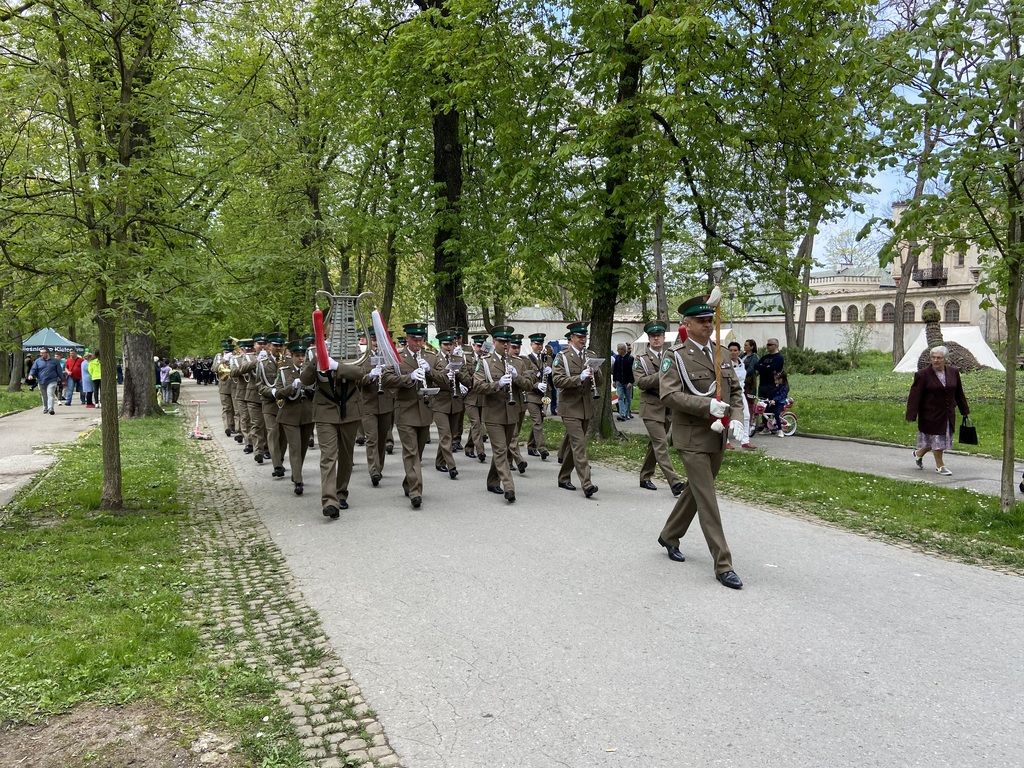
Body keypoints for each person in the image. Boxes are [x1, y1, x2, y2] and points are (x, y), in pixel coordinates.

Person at [656, 293, 746, 590]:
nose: (708, 325)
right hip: (692, 437)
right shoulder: (676, 356)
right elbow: (668, 395)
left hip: (716, 437)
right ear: (688, 324)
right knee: (708, 500)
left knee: (696, 492)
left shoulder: (720, 352)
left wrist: (736, 419)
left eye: (710, 320)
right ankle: (723, 564)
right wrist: (705, 406)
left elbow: (734, 391)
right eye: (702, 321)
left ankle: (669, 534)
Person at [301, 336, 365, 519]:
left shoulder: (353, 349)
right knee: (328, 455)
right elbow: (305, 380)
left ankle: (341, 492)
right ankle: (329, 501)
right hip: (325, 409)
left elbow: (361, 372)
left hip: (350, 408)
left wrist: (338, 367)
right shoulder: (312, 352)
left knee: (346, 454)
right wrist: (316, 359)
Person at [380, 322, 436, 509]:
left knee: (417, 453)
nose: (418, 344)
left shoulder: (430, 357)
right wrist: (409, 377)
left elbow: (445, 379)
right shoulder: (397, 357)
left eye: (421, 340)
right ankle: (416, 491)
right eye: (415, 340)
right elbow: (386, 379)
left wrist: (430, 371)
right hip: (405, 410)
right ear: (408, 339)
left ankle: (408, 482)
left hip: (425, 411)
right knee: (411, 452)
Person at [473, 325, 531, 502]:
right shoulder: (484, 362)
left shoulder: (518, 362)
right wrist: (498, 384)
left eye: (508, 341)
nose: (506, 345)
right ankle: (509, 486)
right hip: (493, 413)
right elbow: (477, 386)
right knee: (500, 450)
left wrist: (517, 378)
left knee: (503, 450)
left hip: (511, 412)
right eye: (502, 341)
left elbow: (529, 384)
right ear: (494, 342)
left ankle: (492, 480)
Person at [634, 319, 687, 495]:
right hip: (651, 406)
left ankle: (645, 476)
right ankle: (675, 482)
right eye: (653, 336)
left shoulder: (672, 356)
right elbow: (641, 382)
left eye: (659, 336)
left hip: (668, 406)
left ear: (664, 338)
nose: (656, 339)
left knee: (655, 444)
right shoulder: (641, 359)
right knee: (661, 443)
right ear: (648, 338)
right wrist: (662, 375)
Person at [551, 320, 603, 498]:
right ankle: (587, 484)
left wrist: (596, 372)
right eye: (580, 337)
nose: (583, 340)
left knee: (575, 446)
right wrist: (578, 378)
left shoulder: (590, 355)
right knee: (579, 444)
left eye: (585, 336)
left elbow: (601, 382)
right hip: (569, 406)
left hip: (586, 406)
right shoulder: (563, 357)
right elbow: (557, 381)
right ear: (571, 338)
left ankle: (564, 477)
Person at [906, 345, 970, 476]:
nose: (936, 360)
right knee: (937, 439)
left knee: (938, 439)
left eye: (939, 358)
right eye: (933, 357)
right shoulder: (923, 375)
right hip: (930, 413)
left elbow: (959, 393)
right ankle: (940, 466)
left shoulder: (953, 372)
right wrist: (911, 415)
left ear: (945, 359)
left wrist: (964, 410)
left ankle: (918, 454)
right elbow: (915, 395)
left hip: (947, 413)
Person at [428, 329, 471, 479]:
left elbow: (468, 381)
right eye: (446, 344)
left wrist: (458, 373)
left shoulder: (458, 359)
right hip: (440, 402)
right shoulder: (434, 359)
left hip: (456, 402)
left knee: (451, 435)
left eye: (451, 344)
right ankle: (451, 466)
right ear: (440, 345)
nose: (449, 347)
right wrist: (445, 375)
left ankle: (440, 461)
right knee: (445, 435)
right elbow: (432, 378)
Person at [276, 342, 315, 496]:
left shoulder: (309, 371)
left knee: (303, 448)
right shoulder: (284, 371)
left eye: (302, 355)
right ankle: (298, 481)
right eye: (297, 356)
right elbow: (278, 393)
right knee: (295, 447)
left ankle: (296, 472)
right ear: (291, 356)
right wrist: (292, 387)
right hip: (289, 415)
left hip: (307, 414)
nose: (300, 358)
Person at [524, 332, 551, 460]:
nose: (539, 347)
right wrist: (536, 385)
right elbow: (526, 378)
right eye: (537, 344)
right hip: (531, 395)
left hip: (544, 395)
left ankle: (530, 445)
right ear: (531, 344)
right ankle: (542, 448)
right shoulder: (526, 360)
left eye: (541, 344)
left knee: (540, 419)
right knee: (537, 421)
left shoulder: (547, 359)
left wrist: (551, 372)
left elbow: (555, 378)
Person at [727, 341, 755, 449]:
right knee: (725, 417)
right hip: (728, 393)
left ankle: (745, 441)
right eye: (730, 350)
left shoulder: (742, 363)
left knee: (746, 416)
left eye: (735, 350)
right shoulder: (725, 364)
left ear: (739, 352)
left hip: (740, 393)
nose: (733, 353)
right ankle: (725, 441)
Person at [753, 338, 783, 430]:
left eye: (770, 344)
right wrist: (766, 367)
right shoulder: (765, 357)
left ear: (776, 346)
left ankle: (771, 423)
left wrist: (764, 367)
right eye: (767, 344)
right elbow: (756, 366)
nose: (768, 346)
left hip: (772, 385)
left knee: (771, 404)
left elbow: (774, 368)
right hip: (762, 384)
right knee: (762, 403)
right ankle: (763, 422)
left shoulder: (779, 357)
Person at [28, 347, 62, 414]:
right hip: (41, 381)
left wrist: (63, 379)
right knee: (44, 395)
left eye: (42, 353)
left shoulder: (55, 361)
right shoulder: (38, 361)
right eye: (40, 353)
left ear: (47, 353)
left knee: (50, 394)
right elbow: (33, 369)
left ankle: (51, 408)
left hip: (52, 380)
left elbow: (59, 371)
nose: (41, 354)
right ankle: (45, 407)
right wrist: (31, 375)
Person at [612, 342, 635, 420]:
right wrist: (614, 380)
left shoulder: (630, 358)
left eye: (619, 349)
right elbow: (615, 370)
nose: (617, 351)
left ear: (622, 350)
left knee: (628, 399)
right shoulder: (617, 358)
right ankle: (623, 414)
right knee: (620, 397)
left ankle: (627, 412)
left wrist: (631, 381)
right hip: (619, 381)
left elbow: (632, 371)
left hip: (627, 381)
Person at [740, 339, 759, 432]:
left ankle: (751, 421)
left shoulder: (754, 357)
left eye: (747, 345)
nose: (745, 346)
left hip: (749, 382)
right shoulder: (742, 356)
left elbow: (751, 369)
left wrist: (742, 375)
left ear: (752, 347)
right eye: (744, 345)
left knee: (749, 401)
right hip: (741, 382)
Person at [766, 370, 789, 437]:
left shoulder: (785, 387)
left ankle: (780, 430)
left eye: (776, 380)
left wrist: (775, 400)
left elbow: (781, 396)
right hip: (774, 402)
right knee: (767, 411)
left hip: (780, 403)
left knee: (776, 414)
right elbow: (774, 393)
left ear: (781, 379)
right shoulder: (777, 386)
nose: (775, 381)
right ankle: (766, 427)